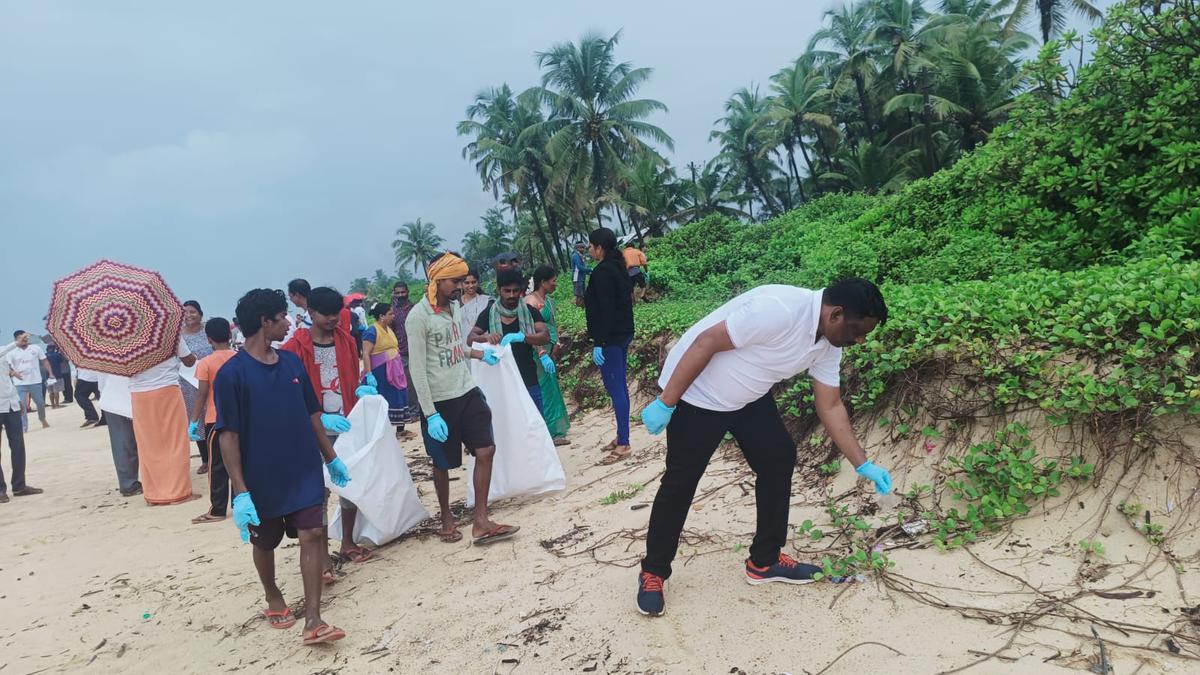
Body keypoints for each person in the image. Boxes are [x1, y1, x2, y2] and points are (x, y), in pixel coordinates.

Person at [633, 279, 895, 617]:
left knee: (778, 458)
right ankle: (653, 571)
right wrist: (667, 402)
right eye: (858, 331)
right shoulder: (779, 310)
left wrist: (863, 464)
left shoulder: (829, 344)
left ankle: (765, 561)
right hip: (699, 396)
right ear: (836, 314)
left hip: (748, 397)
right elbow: (706, 341)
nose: (859, 340)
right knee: (681, 481)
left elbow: (830, 406)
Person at [215, 288, 350, 645]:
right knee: (266, 542)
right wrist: (241, 492)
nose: (289, 322)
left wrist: (331, 459)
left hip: (302, 467)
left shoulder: (291, 363)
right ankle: (273, 594)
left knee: (313, 533)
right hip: (261, 476)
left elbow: (312, 414)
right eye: (282, 316)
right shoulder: (232, 375)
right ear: (265, 322)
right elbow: (228, 436)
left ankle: (314, 620)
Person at [405, 252, 518, 545]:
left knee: (486, 450)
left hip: (467, 390)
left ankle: (481, 520)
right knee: (442, 463)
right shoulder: (418, 317)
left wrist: (479, 353)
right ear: (439, 280)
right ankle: (446, 517)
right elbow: (417, 369)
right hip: (440, 401)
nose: (460, 286)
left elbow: (456, 346)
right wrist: (430, 414)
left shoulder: (454, 308)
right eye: (455, 281)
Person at [282, 286, 376, 564]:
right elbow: (290, 394)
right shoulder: (294, 348)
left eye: (337, 314)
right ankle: (321, 557)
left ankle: (347, 541)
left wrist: (361, 388)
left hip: (345, 425)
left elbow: (351, 376)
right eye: (327, 314)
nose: (333, 319)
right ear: (311, 312)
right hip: (314, 431)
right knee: (317, 494)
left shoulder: (346, 341)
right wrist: (318, 417)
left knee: (351, 485)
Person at [584, 228, 635, 465]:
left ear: (600, 248)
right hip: (622, 333)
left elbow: (605, 309)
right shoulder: (618, 267)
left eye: (591, 246)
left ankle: (624, 442)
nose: (589, 250)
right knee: (619, 385)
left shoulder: (603, 272)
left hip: (611, 338)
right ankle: (620, 435)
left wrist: (600, 342)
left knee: (615, 386)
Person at [469, 268, 550, 413]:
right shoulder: (489, 313)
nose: (511, 295)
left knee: (536, 423)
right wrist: (486, 337)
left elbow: (544, 336)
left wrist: (523, 336)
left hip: (528, 378)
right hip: (503, 381)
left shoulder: (530, 311)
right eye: (507, 291)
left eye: (515, 291)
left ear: (520, 291)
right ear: (499, 290)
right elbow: (471, 339)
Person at [129, 333, 196, 505]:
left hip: (139, 394)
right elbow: (189, 360)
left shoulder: (124, 339)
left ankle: (154, 494)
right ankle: (178, 492)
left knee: (148, 445)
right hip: (167, 388)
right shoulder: (168, 330)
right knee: (175, 441)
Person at [188, 318, 238, 524]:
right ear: (229, 335)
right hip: (239, 418)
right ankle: (239, 502)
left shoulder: (206, 363)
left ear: (209, 339)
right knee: (240, 461)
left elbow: (202, 394)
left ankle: (218, 509)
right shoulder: (239, 358)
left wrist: (193, 420)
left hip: (215, 420)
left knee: (217, 466)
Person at [525, 266, 571, 445]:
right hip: (539, 352)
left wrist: (557, 343)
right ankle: (549, 432)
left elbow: (553, 323)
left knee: (552, 389)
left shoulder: (549, 301)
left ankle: (556, 430)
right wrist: (542, 351)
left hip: (552, 348)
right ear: (543, 282)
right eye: (553, 280)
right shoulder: (530, 301)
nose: (555, 284)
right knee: (544, 388)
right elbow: (529, 328)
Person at [0, 339, 43, 503]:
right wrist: (15, 343)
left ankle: (19, 485)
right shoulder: (5, 350)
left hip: (10, 404)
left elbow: (6, 376)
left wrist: (17, 400)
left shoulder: (3, 352)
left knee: (18, 445)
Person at [180, 300, 215, 474]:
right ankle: (205, 459)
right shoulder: (179, 335)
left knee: (213, 413)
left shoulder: (208, 330)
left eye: (192, 312)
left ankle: (218, 453)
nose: (189, 315)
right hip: (188, 382)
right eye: (185, 312)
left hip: (212, 377)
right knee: (196, 417)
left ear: (200, 313)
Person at [362, 302, 410, 427]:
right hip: (380, 371)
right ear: (382, 316)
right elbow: (366, 353)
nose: (393, 316)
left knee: (398, 395)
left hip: (395, 370)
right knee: (384, 398)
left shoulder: (389, 329)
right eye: (390, 314)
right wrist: (369, 374)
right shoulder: (372, 331)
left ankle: (401, 428)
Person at [98, 373, 141, 496]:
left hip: (111, 399)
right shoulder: (143, 355)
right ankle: (154, 479)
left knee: (121, 443)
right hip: (134, 397)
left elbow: (101, 382)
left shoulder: (106, 355)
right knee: (147, 442)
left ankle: (128, 483)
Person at [6, 331, 54, 431]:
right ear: (16, 340)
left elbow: (44, 361)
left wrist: (51, 373)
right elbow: (8, 366)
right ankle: (24, 426)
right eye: (21, 338)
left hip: (35, 381)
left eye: (25, 337)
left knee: (40, 403)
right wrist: (14, 373)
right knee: (22, 405)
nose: (24, 339)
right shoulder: (11, 352)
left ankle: (42, 419)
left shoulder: (36, 348)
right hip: (19, 383)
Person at [389, 281, 419, 427]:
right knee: (409, 384)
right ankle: (414, 412)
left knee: (421, 379)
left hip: (418, 349)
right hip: (402, 352)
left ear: (407, 292)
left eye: (403, 292)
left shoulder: (415, 308)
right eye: (397, 293)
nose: (400, 295)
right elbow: (390, 331)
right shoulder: (392, 312)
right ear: (394, 294)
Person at [457, 267, 491, 347]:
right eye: (467, 283)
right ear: (461, 284)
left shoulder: (487, 301)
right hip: (463, 348)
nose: (471, 286)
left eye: (473, 282)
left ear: (478, 282)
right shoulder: (455, 304)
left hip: (485, 345)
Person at [44, 342, 72, 407]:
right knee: (56, 391)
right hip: (57, 375)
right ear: (54, 348)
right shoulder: (57, 355)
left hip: (48, 375)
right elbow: (62, 362)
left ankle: (53, 405)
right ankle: (57, 404)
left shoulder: (44, 355)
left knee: (51, 392)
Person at [570, 241, 592, 307]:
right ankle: (579, 309)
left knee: (582, 294)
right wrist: (590, 269)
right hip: (577, 278)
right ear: (577, 248)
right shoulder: (575, 256)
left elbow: (583, 268)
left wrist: (589, 272)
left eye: (583, 247)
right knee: (579, 295)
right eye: (581, 248)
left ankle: (582, 308)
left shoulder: (581, 256)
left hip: (581, 277)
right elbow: (580, 267)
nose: (583, 249)